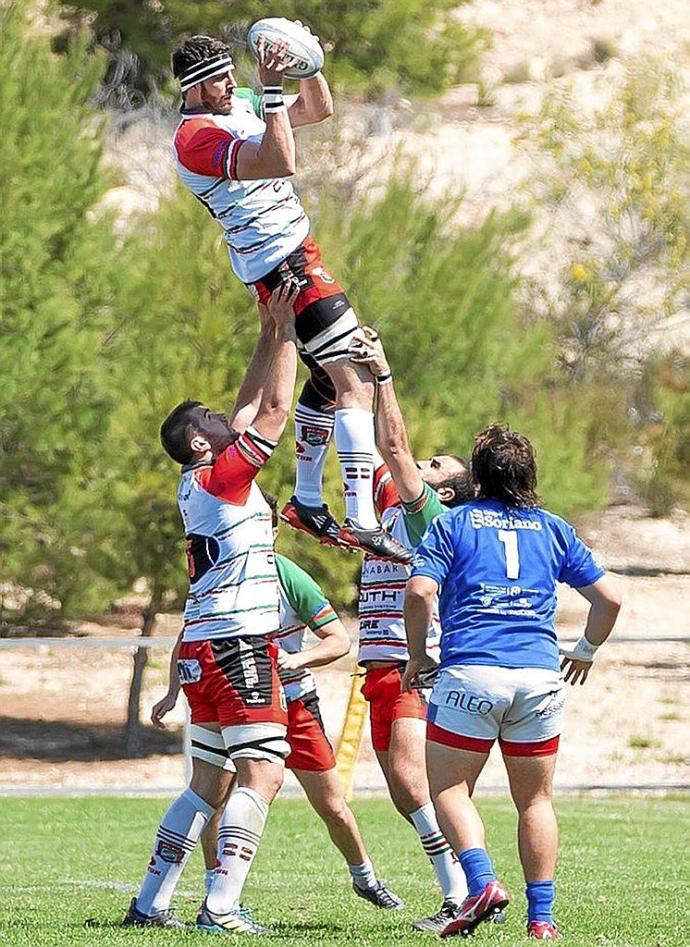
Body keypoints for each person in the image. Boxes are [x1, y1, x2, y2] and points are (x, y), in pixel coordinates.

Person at [170, 29, 409, 563]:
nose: (234, 84)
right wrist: (272, 88)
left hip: (293, 257)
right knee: (355, 381)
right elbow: (280, 160)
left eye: (235, 73)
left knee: (326, 382)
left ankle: (304, 500)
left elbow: (317, 108)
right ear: (196, 87)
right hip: (286, 265)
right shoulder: (196, 139)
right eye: (220, 79)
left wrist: (305, 60)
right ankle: (362, 517)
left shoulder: (238, 102)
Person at [123, 284, 299, 934]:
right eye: (212, 420)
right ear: (202, 444)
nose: (228, 417)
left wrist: (264, 330)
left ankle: (148, 903)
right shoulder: (225, 475)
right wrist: (287, 336)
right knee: (264, 773)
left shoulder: (199, 477)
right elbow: (275, 407)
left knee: (207, 783)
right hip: (238, 642)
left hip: (203, 645)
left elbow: (249, 405)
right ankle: (221, 906)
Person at [403, 424, 622, 939]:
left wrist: (417, 656)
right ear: (530, 475)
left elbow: (418, 593)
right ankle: (541, 920)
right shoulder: (553, 528)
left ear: (477, 477)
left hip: (472, 674)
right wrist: (585, 650)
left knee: (451, 789)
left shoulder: (453, 525)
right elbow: (609, 598)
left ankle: (480, 883)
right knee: (536, 801)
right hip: (540, 678)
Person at [151, 492, 403, 912]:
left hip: (294, 704)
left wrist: (294, 660)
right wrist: (172, 690)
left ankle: (365, 877)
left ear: (272, 530)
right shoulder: (221, 572)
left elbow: (338, 640)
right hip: (237, 698)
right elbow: (192, 632)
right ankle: (218, 893)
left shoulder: (290, 577)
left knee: (331, 804)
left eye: (262, 523)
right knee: (214, 791)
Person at [347, 328, 478, 933]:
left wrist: (384, 374)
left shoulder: (432, 514)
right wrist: (330, 354)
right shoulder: (395, 512)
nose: (421, 465)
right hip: (376, 663)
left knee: (409, 777)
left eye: (435, 467)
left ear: (446, 489)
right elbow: (367, 442)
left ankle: (467, 888)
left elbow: (393, 447)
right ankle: (460, 888)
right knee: (403, 794)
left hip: (410, 663)